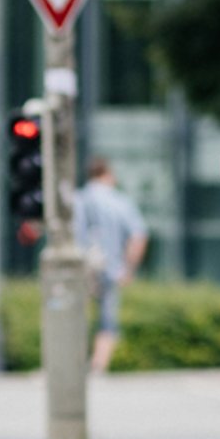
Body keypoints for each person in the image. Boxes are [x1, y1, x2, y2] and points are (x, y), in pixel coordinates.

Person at [76, 156, 149, 373]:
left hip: (79, 268)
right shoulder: (119, 201)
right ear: (107, 174)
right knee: (107, 321)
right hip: (108, 268)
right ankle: (98, 367)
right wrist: (129, 268)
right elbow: (138, 236)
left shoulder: (76, 200)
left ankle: (72, 363)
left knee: (75, 314)